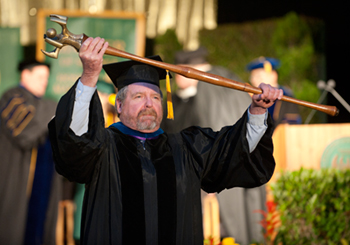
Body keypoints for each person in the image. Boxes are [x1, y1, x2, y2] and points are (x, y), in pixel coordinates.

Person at [48, 37, 283, 244]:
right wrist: (89, 75)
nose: (149, 104)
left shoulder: (187, 148)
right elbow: (74, 141)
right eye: (138, 97)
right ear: (119, 105)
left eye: (155, 97)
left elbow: (235, 150)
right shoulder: (101, 148)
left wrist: (257, 110)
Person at [161, 47, 267, 243]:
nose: (177, 79)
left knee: (217, 227)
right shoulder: (227, 79)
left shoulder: (207, 88)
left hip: (214, 171)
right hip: (237, 164)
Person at [0, 59, 62, 244]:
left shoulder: (44, 103)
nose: (45, 82)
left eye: (47, 78)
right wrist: (57, 108)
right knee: (16, 229)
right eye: (40, 76)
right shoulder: (11, 96)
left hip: (47, 180)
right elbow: (26, 133)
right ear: (25, 74)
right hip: (18, 177)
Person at [247, 56, 302, 128]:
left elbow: (290, 129)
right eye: (252, 77)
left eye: (258, 76)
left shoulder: (286, 97)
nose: (254, 81)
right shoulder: (250, 98)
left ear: (274, 76)